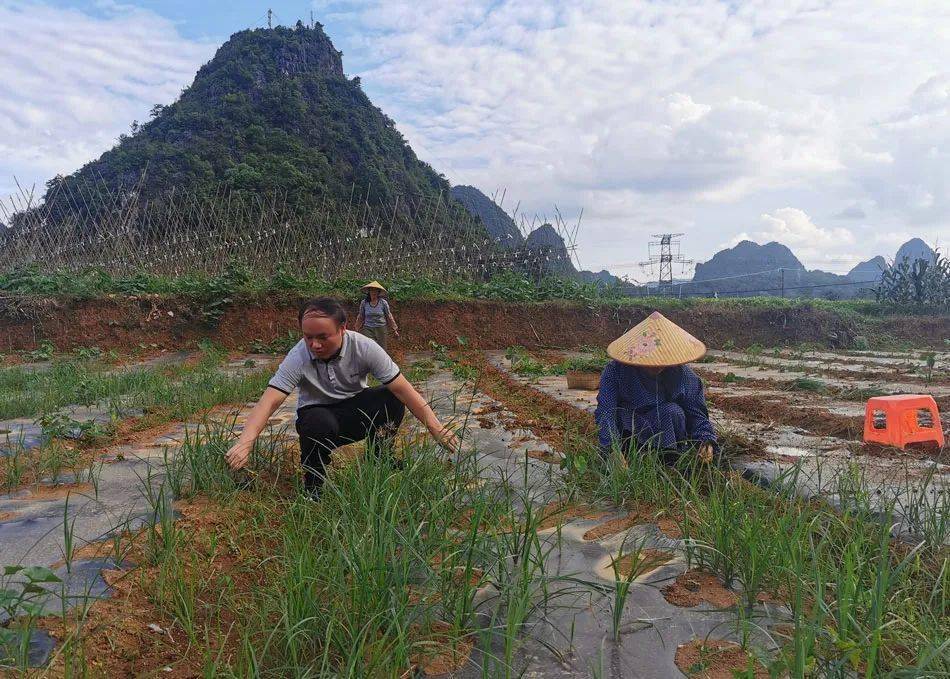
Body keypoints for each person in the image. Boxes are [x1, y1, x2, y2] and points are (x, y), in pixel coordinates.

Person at [225, 297, 460, 496]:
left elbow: (403, 388)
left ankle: (380, 455)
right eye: (308, 337)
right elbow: (270, 401)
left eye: (323, 337)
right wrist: (244, 443)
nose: (314, 344)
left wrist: (435, 427)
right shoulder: (299, 355)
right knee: (316, 422)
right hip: (320, 416)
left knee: (392, 397)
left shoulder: (364, 347)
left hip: (356, 410)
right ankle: (314, 486)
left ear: (342, 329)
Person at [594, 311, 717, 464]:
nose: (657, 366)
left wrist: (706, 440)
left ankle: (669, 459)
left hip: (668, 435)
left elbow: (697, 414)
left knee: (672, 411)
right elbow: (606, 411)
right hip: (628, 433)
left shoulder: (686, 377)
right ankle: (628, 456)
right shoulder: (615, 371)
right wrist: (612, 450)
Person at [354, 280, 399, 351]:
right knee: (369, 348)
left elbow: (389, 316)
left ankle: (382, 362)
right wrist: (357, 328)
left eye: (376, 291)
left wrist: (394, 329)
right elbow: (361, 316)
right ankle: (369, 362)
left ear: (378, 293)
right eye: (372, 291)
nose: (374, 292)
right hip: (368, 328)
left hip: (381, 328)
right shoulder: (364, 303)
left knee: (382, 349)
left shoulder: (383, 303)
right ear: (369, 292)